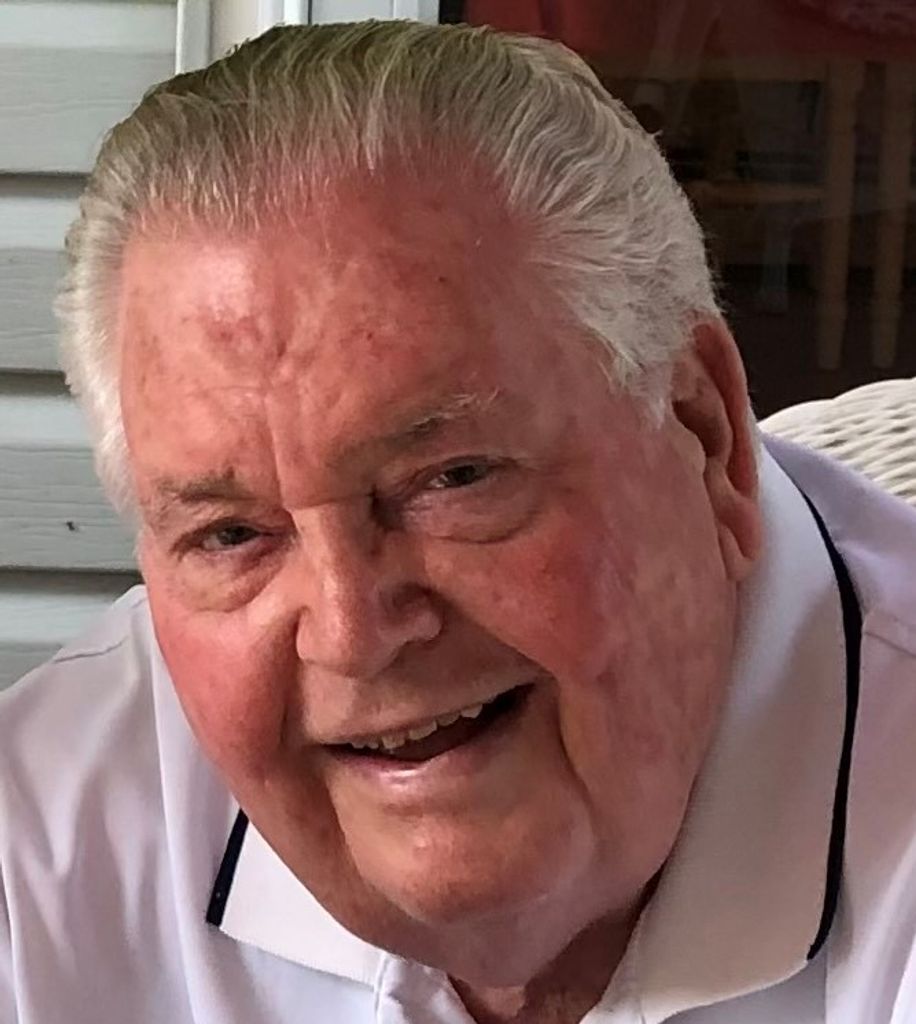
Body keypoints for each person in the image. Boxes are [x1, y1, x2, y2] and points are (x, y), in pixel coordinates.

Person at [1, 20, 915, 1024]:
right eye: (231, 535)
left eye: (452, 478)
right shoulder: (41, 833)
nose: (351, 632)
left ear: (704, 439)